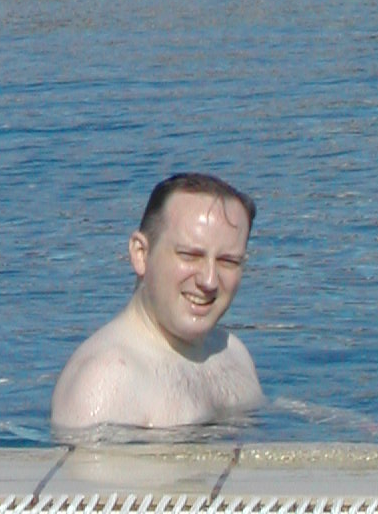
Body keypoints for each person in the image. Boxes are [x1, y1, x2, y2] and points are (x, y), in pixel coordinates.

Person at [50, 172, 262, 434]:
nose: (209, 280)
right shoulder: (106, 381)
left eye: (228, 261)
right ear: (141, 254)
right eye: (189, 255)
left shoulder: (233, 353)